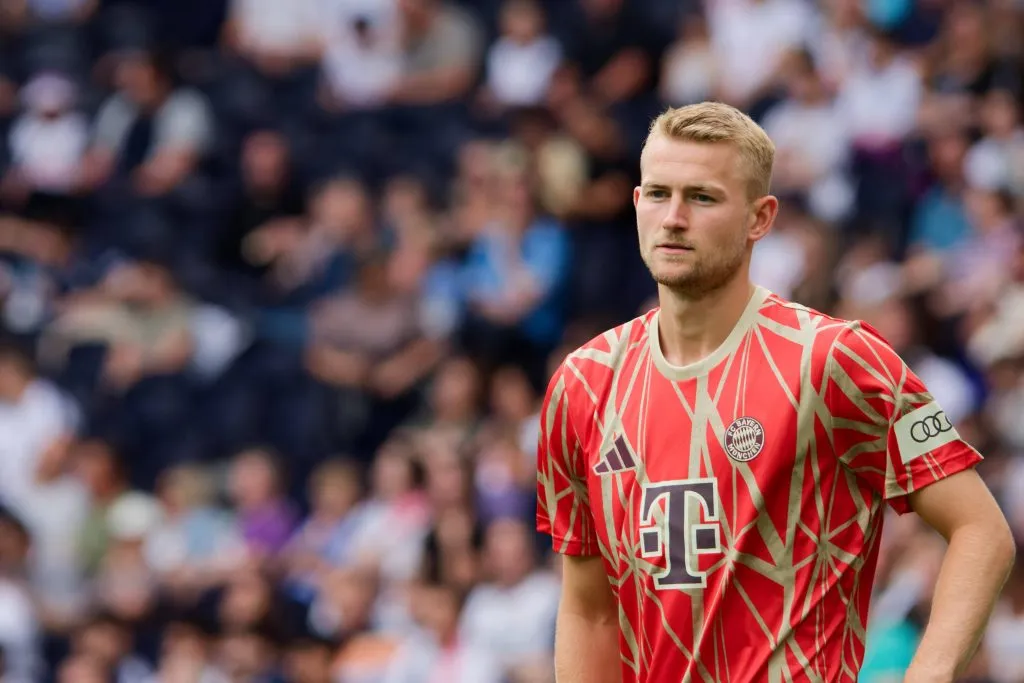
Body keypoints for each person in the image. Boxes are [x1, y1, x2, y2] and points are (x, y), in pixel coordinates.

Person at [535, 101, 1016, 682]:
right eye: (658, 194)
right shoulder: (583, 384)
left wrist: (929, 674)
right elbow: (589, 609)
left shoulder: (835, 360)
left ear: (760, 218)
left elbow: (981, 532)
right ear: (637, 203)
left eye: (703, 197)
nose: (674, 217)